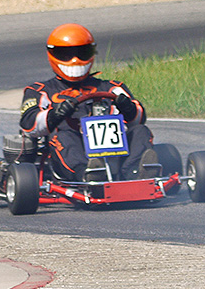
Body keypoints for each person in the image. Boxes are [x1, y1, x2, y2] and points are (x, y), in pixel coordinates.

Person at [20, 23, 159, 181]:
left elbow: (139, 119)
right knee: (63, 137)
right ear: (53, 53)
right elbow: (29, 125)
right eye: (66, 54)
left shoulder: (111, 87)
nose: (75, 60)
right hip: (70, 150)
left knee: (141, 131)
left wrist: (128, 108)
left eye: (82, 53)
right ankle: (88, 175)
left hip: (117, 152)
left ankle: (137, 173)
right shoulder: (41, 91)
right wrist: (54, 115)